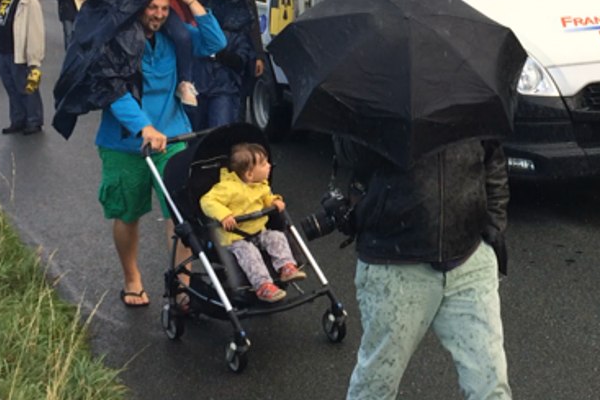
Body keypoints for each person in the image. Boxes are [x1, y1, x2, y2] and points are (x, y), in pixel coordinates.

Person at [94, 0, 225, 308]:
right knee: (127, 214)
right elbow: (113, 88)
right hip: (124, 142)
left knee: (181, 213)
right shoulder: (117, 40)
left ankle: (183, 286)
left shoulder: (175, 38)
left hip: (173, 135)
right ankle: (132, 278)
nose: (158, 14)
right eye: (152, 7)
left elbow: (215, 43)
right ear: (139, 6)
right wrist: (144, 127)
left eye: (165, 8)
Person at [344, 137, 512, 400]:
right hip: (395, 264)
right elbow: (352, 158)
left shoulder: (473, 97)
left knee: (491, 387)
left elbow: (493, 159)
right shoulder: (375, 98)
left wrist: (493, 227)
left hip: (469, 258)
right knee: (375, 388)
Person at [199, 142, 306, 303]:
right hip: (235, 238)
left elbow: (266, 198)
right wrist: (224, 215)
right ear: (249, 174)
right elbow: (207, 201)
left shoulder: (260, 185)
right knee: (249, 253)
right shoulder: (228, 188)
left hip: (258, 231)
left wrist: (274, 201)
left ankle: (286, 267)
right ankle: (262, 285)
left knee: (276, 237)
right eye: (264, 164)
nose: (269, 166)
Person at [0, 0, 45, 134]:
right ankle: (18, 119)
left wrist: (34, 58)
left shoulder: (29, 1)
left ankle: (33, 120)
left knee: (26, 87)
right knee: (11, 88)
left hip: (19, 52)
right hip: (2, 50)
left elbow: (36, 31)